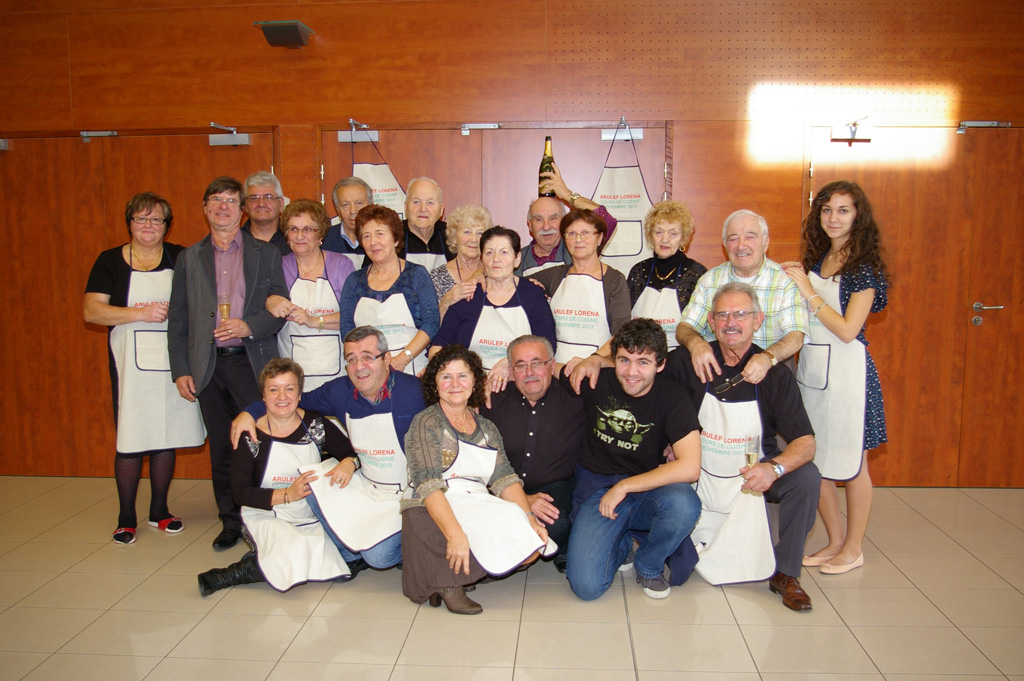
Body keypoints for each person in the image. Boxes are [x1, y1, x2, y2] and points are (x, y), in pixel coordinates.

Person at [666, 282, 821, 611]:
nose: (730, 322)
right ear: (710, 322)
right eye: (722, 315)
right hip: (696, 472)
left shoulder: (774, 375)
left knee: (806, 478)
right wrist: (668, 442)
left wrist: (773, 468)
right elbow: (647, 392)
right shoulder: (688, 361)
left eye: (740, 314)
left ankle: (786, 572)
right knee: (678, 569)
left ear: (757, 320)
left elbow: (806, 443)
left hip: (753, 474)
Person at [230, 326, 421, 572]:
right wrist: (249, 412)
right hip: (369, 487)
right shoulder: (338, 391)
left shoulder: (416, 391)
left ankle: (411, 541)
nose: (359, 367)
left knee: (378, 558)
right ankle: (354, 550)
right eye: (351, 359)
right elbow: (289, 400)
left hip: (409, 492)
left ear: (386, 359)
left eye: (367, 357)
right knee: (315, 481)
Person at [168, 176, 289, 550]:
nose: (223, 207)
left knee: (259, 442)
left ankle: (265, 518)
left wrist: (249, 326)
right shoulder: (189, 258)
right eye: (216, 200)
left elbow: (279, 307)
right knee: (222, 447)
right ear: (205, 208)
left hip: (251, 364)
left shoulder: (266, 253)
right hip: (208, 367)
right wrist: (181, 369)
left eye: (231, 201)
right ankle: (231, 521)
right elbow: (179, 317)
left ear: (242, 210)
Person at [84, 192, 206, 545]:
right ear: (130, 224)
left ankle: (159, 511)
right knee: (133, 435)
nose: (148, 226)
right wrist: (140, 313)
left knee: (166, 431)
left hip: (173, 360)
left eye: (156, 220)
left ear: (167, 226)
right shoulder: (110, 261)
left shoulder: (181, 257)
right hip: (130, 365)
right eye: (141, 219)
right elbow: (92, 310)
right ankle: (126, 517)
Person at [782, 181, 890, 575]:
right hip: (813, 373)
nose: (833, 218)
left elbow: (847, 329)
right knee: (816, 458)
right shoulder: (819, 258)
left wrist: (808, 291)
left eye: (843, 210)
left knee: (853, 464)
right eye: (827, 210)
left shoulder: (864, 268)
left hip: (849, 379)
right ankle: (834, 540)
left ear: (858, 216)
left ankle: (853, 548)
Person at [401, 345, 551, 615]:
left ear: (475, 382)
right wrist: (455, 534)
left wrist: (529, 518)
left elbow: (504, 476)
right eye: (446, 376)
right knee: (428, 518)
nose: (455, 384)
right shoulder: (426, 423)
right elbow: (428, 484)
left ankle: (469, 569)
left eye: (463, 375)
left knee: (532, 546)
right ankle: (447, 583)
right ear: (435, 384)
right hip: (433, 498)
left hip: (475, 498)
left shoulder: (487, 427)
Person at [564, 318, 702, 601]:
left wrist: (625, 486)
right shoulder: (596, 379)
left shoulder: (673, 396)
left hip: (645, 488)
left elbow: (690, 467)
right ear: (613, 359)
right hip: (597, 487)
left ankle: (649, 563)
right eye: (624, 360)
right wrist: (507, 365)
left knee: (685, 502)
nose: (631, 372)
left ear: (660, 365)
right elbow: (542, 370)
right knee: (586, 587)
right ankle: (622, 540)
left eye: (643, 362)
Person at [197, 359, 355, 596]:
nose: (282, 396)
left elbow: (351, 453)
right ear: (263, 396)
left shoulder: (315, 425)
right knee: (295, 547)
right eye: (273, 389)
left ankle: (260, 559)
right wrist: (286, 494)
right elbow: (240, 493)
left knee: (336, 561)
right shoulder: (249, 435)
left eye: (289, 388)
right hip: (265, 513)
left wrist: (349, 462)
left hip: (307, 513)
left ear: (300, 394)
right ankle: (230, 574)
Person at [480, 335, 584, 572]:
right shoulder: (492, 399)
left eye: (537, 363)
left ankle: (527, 548)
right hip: (501, 485)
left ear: (552, 365)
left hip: (555, 485)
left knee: (555, 524)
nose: (529, 372)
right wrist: (522, 500)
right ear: (511, 371)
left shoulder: (576, 396)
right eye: (520, 365)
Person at [677, 210, 809, 385]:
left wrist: (767, 358)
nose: (741, 245)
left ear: (766, 243)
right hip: (719, 377)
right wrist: (696, 344)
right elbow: (685, 327)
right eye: (733, 238)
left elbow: (795, 337)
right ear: (724, 245)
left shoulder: (785, 281)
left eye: (750, 237)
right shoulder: (709, 281)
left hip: (771, 377)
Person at [429, 227, 557, 388]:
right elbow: (438, 346)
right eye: (489, 252)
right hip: (471, 387)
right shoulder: (468, 295)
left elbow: (548, 345)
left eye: (504, 252)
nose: (496, 259)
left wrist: (510, 363)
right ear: (482, 259)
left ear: (517, 259)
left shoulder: (532, 294)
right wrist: (456, 376)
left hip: (520, 385)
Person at [338, 205, 440, 376]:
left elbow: (431, 322)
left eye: (380, 234)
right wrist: (365, 361)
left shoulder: (416, 275)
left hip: (412, 369)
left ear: (395, 239)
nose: (373, 242)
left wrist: (403, 358)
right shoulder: (354, 281)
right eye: (366, 236)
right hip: (367, 372)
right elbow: (347, 328)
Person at [265, 199, 355, 392]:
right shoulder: (278, 266)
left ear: (320, 234)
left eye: (307, 229)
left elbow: (353, 316)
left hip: (336, 371)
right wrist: (270, 301)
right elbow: (262, 306)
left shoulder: (341, 265)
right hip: (292, 370)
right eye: (293, 229)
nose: (299, 236)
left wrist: (313, 320)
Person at [532, 209, 630, 367]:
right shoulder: (555, 275)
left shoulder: (614, 280)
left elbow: (622, 333)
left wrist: (593, 359)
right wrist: (533, 287)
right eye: (571, 234)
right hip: (557, 369)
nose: (578, 239)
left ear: (599, 238)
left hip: (597, 369)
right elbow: (514, 283)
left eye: (585, 233)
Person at [627, 200, 707, 348]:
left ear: (683, 238)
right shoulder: (638, 271)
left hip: (678, 356)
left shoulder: (696, 273)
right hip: (639, 355)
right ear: (650, 236)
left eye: (673, 233)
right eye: (659, 232)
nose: (665, 239)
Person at [517, 162, 619, 276]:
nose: (546, 227)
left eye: (553, 218)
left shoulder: (577, 248)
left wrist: (567, 195)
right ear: (530, 225)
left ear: (563, 222)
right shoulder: (515, 260)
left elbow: (607, 219)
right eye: (539, 220)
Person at [429, 204, 490, 318]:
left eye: (479, 233)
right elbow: (431, 325)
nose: (474, 239)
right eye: (467, 232)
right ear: (453, 238)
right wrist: (446, 301)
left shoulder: (494, 271)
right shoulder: (437, 277)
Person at [402, 177, 453, 271]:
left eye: (430, 203)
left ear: (441, 209)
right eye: (416, 202)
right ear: (406, 206)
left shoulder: (451, 236)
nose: (423, 209)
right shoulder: (393, 237)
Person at [322, 176, 371, 270]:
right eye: (345, 205)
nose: (353, 211)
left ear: (370, 205)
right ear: (337, 210)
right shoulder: (324, 240)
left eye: (359, 203)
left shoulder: (382, 241)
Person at [242, 171, 290, 256]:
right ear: (245, 205)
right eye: (254, 198)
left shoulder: (293, 238)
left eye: (268, 197)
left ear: (281, 203)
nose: (261, 204)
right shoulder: (235, 240)